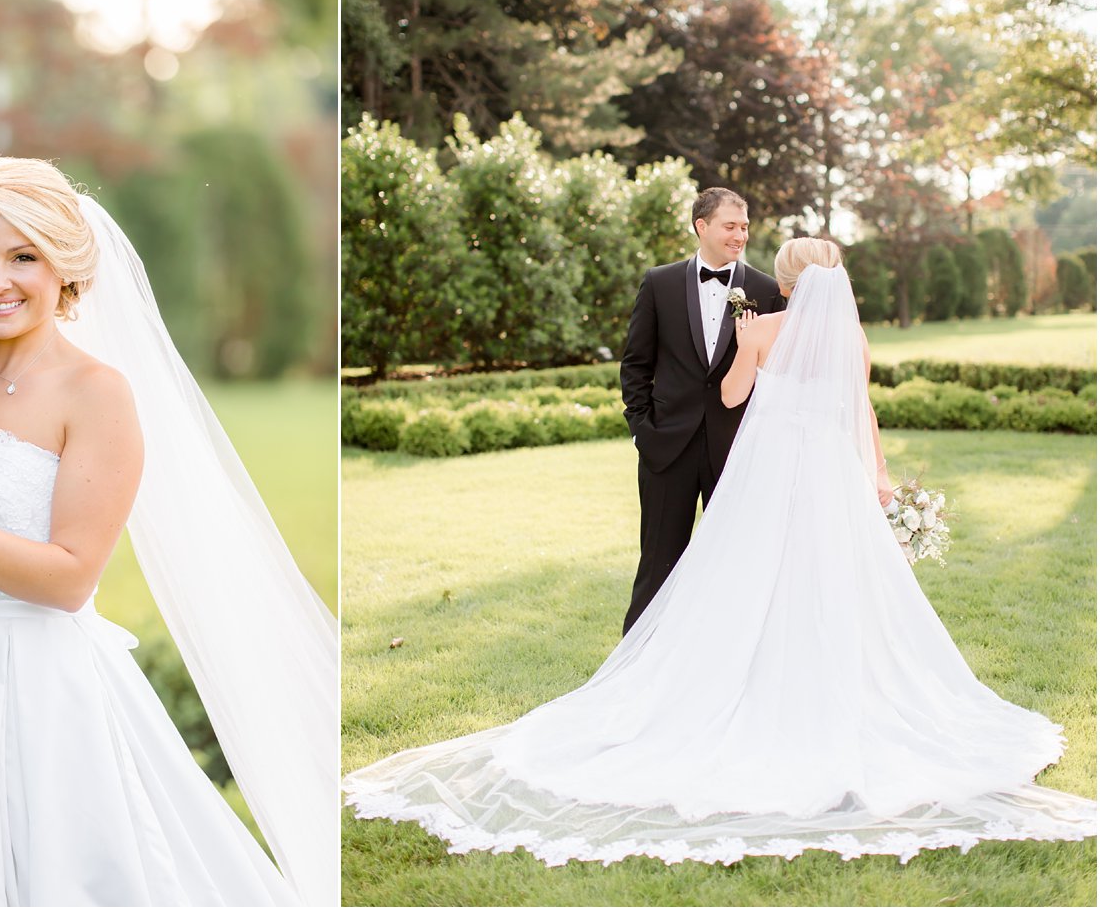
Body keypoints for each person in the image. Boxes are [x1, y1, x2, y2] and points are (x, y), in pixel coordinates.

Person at [343, 239, 1095, 865]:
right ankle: (832, 687)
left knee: (746, 581)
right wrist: (882, 478)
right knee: (839, 585)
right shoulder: (854, 339)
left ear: (788, 279)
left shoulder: (762, 329)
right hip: (834, 477)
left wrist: (744, 347)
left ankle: (752, 684)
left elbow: (732, 397)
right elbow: (862, 410)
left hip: (771, 480)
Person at [0, 157, 338, 906]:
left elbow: (71, 574)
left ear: (66, 266)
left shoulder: (98, 394)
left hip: (39, 680)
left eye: (23, 257)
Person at [619, 187, 786, 633]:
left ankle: (727, 658)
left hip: (736, 450)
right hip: (666, 446)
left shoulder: (766, 291)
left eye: (745, 227)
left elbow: (779, 373)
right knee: (657, 563)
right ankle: (635, 664)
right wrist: (641, 428)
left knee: (736, 561)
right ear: (702, 226)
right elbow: (636, 363)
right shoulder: (660, 282)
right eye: (730, 226)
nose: (740, 235)